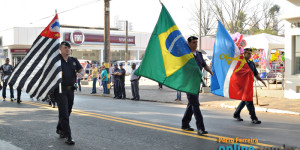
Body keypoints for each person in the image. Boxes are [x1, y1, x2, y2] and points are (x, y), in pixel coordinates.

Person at [181, 36, 213, 136]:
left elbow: (204, 65)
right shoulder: (185, 55)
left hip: (197, 82)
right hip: (189, 83)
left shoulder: (199, 54)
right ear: (189, 43)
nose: (196, 44)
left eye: (196, 42)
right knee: (195, 105)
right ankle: (200, 128)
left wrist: (210, 71)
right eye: (194, 42)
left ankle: (185, 123)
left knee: (191, 103)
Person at [54, 41, 83, 145]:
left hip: (71, 90)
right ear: (60, 49)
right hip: (60, 90)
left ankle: (59, 128)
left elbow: (81, 69)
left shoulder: (73, 60)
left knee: (68, 111)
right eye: (65, 47)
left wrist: (80, 73)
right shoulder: (56, 60)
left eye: (69, 48)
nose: (68, 49)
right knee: (64, 113)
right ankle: (68, 136)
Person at [233, 48, 267, 124]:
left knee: (245, 100)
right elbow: (235, 73)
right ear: (244, 54)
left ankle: (236, 114)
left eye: (250, 54)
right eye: (247, 53)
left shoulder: (252, 64)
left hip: (249, 85)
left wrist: (261, 80)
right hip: (242, 85)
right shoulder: (240, 62)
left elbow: (255, 74)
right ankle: (254, 118)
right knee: (249, 101)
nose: (249, 55)